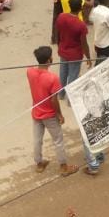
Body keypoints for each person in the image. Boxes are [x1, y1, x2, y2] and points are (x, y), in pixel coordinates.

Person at [27, 46, 78, 176]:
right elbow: (54, 100)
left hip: (36, 113)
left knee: (37, 140)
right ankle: (63, 167)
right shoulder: (52, 78)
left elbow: (32, 67)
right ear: (49, 60)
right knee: (58, 141)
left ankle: (39, 164)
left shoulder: (30, 72)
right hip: (49, 115)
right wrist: (59, 115)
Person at [56, 0, 92, 98]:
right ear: (81, 8)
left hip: (63, 50)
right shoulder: (81, 25)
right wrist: (88, 57)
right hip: (75, 54)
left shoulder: (61, 16)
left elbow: (57, 33)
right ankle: (70, 99)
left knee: (63, 73)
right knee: (73, 76)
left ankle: (61, 94)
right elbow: (84, 44)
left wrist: (59, 46)